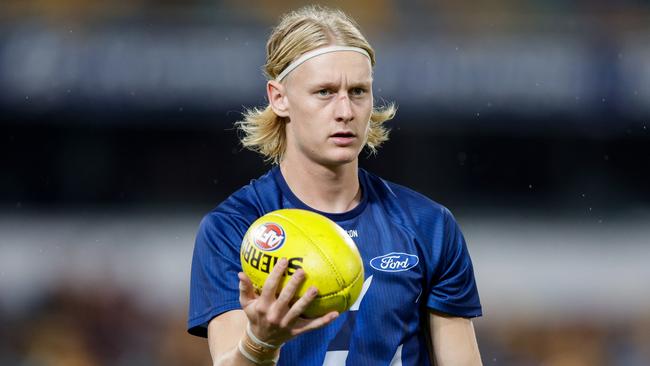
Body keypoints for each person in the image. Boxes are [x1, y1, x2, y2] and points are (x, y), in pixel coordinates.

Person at [188, 5, 482, 365]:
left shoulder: (429, 225)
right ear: (278, 97)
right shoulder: (233, 227)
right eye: (325, 92)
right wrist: (260, 343)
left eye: (358, 91)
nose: (346, 110)